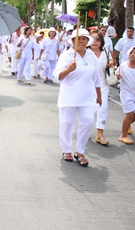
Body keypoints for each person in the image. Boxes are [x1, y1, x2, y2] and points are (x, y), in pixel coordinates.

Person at [53, 29, 101, 167]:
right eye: (78, 39)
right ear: (72, 41)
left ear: (87, 41)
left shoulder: (92, 56)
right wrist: (68, 69)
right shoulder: (66, 56)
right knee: (67, 123)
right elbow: (57, 76)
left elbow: (96, 77)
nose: (81, 41)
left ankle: (80, 151)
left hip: (87, 96)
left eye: (84, 39)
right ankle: (66, 149)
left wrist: (99, 94)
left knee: (88, 122)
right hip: (69, 95)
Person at [89, 31, 112, 145]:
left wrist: (111, 64)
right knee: (88, 111)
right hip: (88, 88)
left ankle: (100, 134)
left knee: (102, 109)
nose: (95, 42)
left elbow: (112, 64)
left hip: (103, 86)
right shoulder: (85, 53)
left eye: (98, 39)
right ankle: (86, 131)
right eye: (92, 39)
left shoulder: (106, 52)